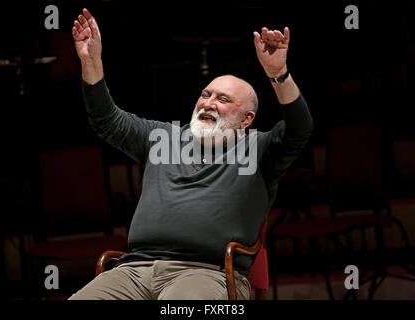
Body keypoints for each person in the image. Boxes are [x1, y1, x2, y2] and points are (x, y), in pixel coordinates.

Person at [69, 8, 313, 300]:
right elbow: (106, 120)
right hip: (134, 270)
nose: (209, 103)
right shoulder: (162, 138)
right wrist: (91, 62)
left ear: (246, 119)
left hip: (207, 273)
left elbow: (300, 129)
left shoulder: (259, 150)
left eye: (223, 99)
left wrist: (278, 74)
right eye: (206, 94)